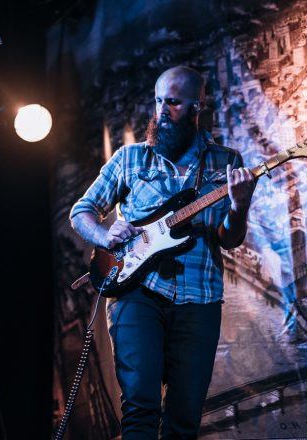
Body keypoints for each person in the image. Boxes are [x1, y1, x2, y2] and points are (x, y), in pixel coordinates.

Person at [69, 66, 256, 439]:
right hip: (137, 293)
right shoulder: (130, 159)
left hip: (199, 298)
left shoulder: (226, 162)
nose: (161, 111)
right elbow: (81, 212)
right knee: (140, 408)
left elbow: (229, 238)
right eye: (158, 101)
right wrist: (105, 235)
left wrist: (239, 208)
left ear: (196, 106)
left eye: (172, 102)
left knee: (184, 420)